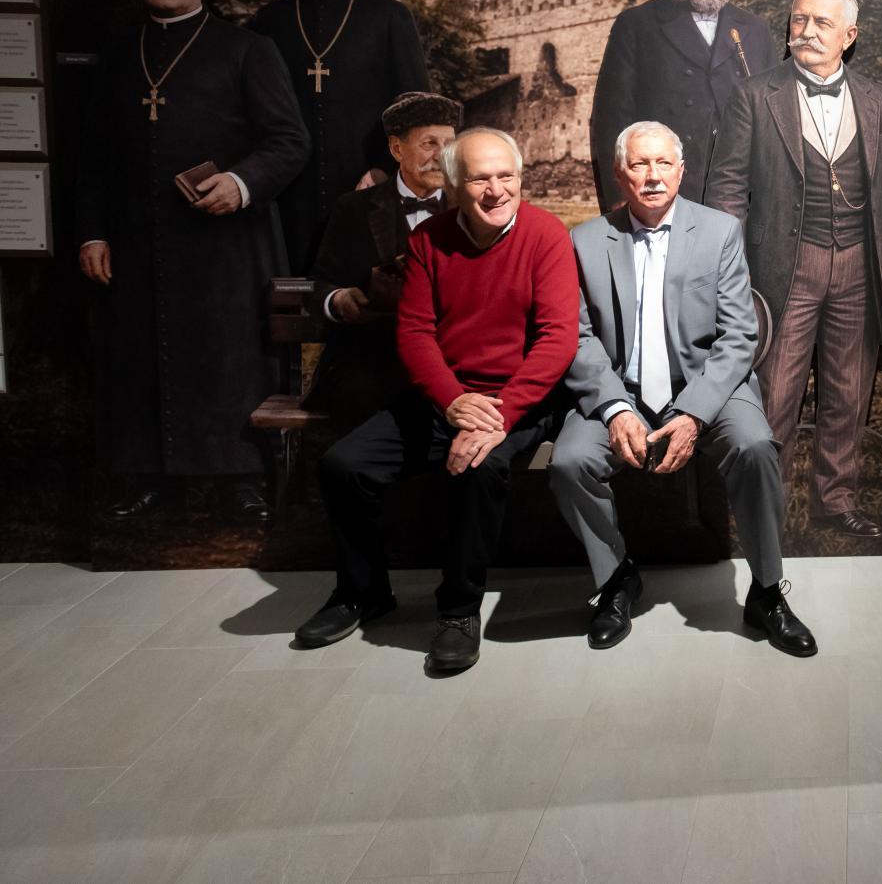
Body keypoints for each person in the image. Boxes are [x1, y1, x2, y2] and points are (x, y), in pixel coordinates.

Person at [295, 128, 579, 673]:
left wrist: (498, 415)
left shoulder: (546, 235)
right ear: (453, 185)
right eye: (479, 179)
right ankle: (362, 592)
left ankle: (458, 609)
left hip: (520, 400)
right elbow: (415, 334)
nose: (496, 190)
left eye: (506, 176)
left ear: (521, 178)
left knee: (477, 467)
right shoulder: (429, 240)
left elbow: (557, 340)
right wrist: (451, 401)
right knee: (343, 465)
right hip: (446, 397)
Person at [704, 0, 882, 538]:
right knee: (775, 393)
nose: (807, 31)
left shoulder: (880, 101)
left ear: (850, 35)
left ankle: (835, 504)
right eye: (799, 20)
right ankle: (764, 511)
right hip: (782, 269)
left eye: (822, 23)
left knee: (849, 392)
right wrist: (726, 270)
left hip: (858, 269)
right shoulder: (754, 95)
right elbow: (726, 189)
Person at [549, 121, 815, 655]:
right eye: (639, 164)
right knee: (569, 462)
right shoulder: (583, 240)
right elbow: (576, 335)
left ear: (681, 170)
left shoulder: (719, 231)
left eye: (663, 163)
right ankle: (616, 579)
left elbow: (739, 335)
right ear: (620, 173)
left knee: (754, 446)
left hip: (706, 384)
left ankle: (767, 592)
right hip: (620, 389)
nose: (653, 176)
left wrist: (694, 413)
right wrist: (614, 407)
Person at [78, 0, 309, 524]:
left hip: (227, 243)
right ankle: (149, 478)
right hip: (138, 241)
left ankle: (240, 479)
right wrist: (93, 232)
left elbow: (289, 141)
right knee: (141, 356)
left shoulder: (246, 49)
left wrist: (241, 182)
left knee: (228, 358)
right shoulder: (120, 52)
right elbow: (95, 154)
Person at [248, 0, 428, 270]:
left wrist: (384, 169)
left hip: (367, 182)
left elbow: (416, 107)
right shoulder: (268, 21)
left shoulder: (390, 17)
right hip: (288, 194)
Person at [588, 0, 776, 209]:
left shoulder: (754, 29)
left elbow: (773, 121)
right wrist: (620, 200)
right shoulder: (637, 26)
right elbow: (612, 120)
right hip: (665, 196)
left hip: (740, 199)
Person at [307, 91, 462, 438]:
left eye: (449, 144)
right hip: (372, 357)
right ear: (396, 149)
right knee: (357, 400)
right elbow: (320, 284)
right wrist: (339, 300)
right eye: (429, 144)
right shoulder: (353, 209)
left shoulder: (471, 207)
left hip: (452, 359)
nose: (441, 155)